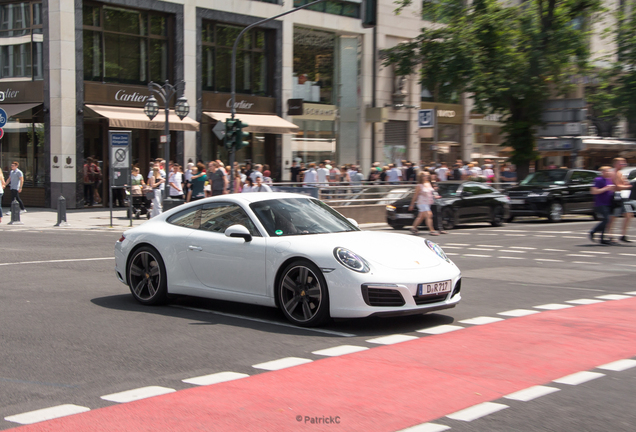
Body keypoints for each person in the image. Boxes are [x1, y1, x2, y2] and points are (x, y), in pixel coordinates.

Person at [606, 157, 632, 243]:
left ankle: (623, 235)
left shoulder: (620, 173)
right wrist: (626, 186)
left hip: (622, 196)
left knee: (628, 215)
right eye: (621, 163)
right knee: (613, 217)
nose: (623, 165)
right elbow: (618, 186)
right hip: (615, 196)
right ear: (616, 164)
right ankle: (610, 235)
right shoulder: (613, 173)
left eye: (624, 163)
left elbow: (625, 183)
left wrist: (624, 185)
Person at [590, 166, 616, 244]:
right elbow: (593, 191)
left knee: (607, 220)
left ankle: (602, 238)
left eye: (609, 171)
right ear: (602, 172)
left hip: (608, 203)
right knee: (606, 219)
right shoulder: (598, 180)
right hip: (600, 203)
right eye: (606, 171)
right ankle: (593, 231)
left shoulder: (609, 180)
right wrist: (606, 188)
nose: (608, 173)